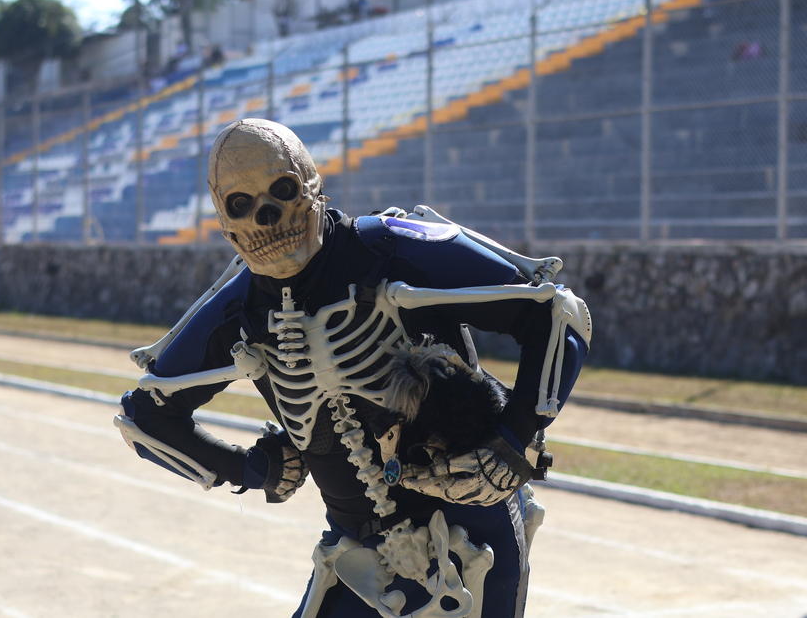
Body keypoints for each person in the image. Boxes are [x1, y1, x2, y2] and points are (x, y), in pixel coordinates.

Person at [115, 118, 591, 617]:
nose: (267, 217)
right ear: (225, 221)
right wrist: (253, 468)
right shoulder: (241, 309)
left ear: (312, 185)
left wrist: (514, 437)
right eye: (242, 204)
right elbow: (145, 418)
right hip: (358, 553)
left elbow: (557, 313)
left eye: (282, 191)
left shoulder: (391, 247)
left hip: (473, 530)